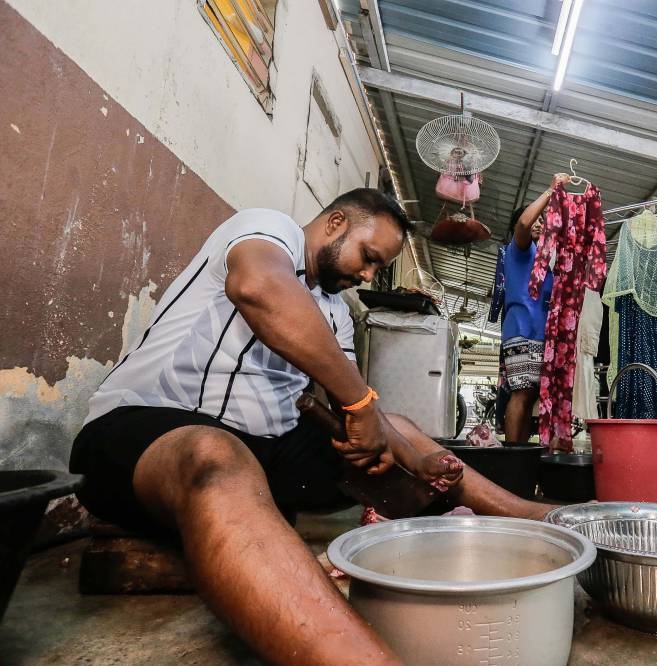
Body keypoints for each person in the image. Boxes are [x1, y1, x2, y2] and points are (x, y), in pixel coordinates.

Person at [69, 188, 553, 666]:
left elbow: (350, 408)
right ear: (336, 223)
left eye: (377, 268)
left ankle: (539, 518)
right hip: (144, 433)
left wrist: (412, 456)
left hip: (265, 452)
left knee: (400, 426)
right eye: (367, 257)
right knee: (213, 452)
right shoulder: (265, 228)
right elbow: (257, 287)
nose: (366, 274)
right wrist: (360, 403)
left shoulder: (337, 313)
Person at [496, 173, 570, 444]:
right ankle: (514, 454)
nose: (537, 224)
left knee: (531, 397)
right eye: (534, 221)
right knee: (522, 393)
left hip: (540, 336)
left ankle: (522, 454)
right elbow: (526, 221)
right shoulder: (519, 251)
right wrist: (551, 190)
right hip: (521, 330)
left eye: (542, 221)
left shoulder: (544, 262)